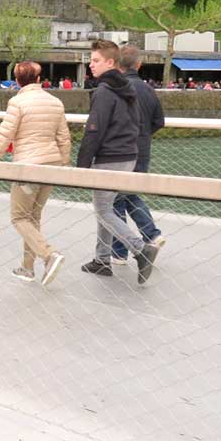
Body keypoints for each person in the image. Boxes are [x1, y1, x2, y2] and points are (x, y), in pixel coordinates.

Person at [0, 61, 72, 285]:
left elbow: (3, 137)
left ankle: (49, 255)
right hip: (50, 165)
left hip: (28, 167)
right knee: (33, 217)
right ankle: (27, 268)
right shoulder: (55, 102)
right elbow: (64, 138)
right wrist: (63, 163)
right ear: (39, 79)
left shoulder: (17, 102)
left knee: (19, 217)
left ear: (18, 80)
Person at [77, 40, 160, 284]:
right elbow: (138, 124)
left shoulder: (104, 91)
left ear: (110, 62)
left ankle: (140, 249)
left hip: (109, 158)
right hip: (128, 156)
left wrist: (81, 167)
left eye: (96, 60)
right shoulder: (127, 89)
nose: (90, 65)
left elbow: (94, 130)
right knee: (106, 207)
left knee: (103, 209)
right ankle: (102, 259)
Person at [111, 46, 167, 269]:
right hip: (142, 151)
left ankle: (122, 250)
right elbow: (159, 121)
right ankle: (150, 235)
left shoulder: (115, 89)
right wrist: (144, 136)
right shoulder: (148, 90)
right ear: (139, 65)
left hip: (119, 152)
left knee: (115, 199)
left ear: (116, 64)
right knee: (128, 194)